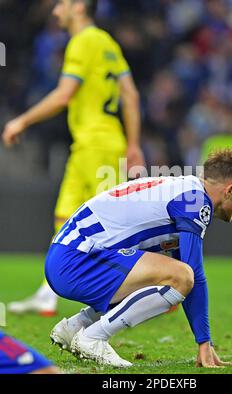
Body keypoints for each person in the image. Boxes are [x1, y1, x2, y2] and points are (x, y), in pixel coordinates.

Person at [47, 149, 232, 368]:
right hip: (75, 261)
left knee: (169, 280)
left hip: (69, 257)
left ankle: (76, 326)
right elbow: (192, 275)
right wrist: (204, 341)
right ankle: (93, 337)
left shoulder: (186, 190)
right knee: (180, 278)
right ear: (230, 190)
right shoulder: (195, 201)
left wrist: (204, 340)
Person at [2, 0, 144, 316]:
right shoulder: (107, 42)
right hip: (91, 145)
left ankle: (150, 286)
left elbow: (65, 94)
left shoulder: (82, 41)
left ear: (79, 7)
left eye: (61, 4)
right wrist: (133, 143)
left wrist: (21, 121)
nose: (55, 11)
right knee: (64, 216)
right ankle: (47, 293)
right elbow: (131, 95)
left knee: (114, 226)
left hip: (97, 146)